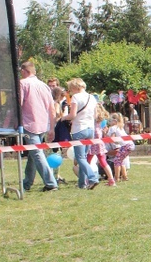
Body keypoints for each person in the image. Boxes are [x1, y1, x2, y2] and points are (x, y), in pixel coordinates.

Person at [19, 61, 58, 192]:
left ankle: (51, 183)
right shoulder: (44, 86)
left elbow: (18, 105)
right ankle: (27, 183)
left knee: (36, 154)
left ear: (24, 71)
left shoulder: (23, 83)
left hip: (29, 124)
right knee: (33, 154)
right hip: (42, 124)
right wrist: (52, 127)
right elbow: (52, 108)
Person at [61, 78, 99, 190]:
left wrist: (63, 118)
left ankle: (93, 178)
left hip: (79, 129)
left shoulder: (76, 97)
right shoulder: (92, 98)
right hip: (90, 129)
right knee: (85, 158)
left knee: (80, 158)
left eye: (70, 89)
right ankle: (82, 184)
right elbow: (95, 116)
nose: (70, 91)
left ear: (75, 88)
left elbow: (72, 115)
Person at [91, 104, 116, 186]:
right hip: (99, 139)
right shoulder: (101, 119)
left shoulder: (94, 116)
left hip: (93, 139)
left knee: (87, 160)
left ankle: (86, 180)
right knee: (103, 161)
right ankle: (111, 179)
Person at [106, 112, 135, 182]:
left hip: (126, 146)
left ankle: (116, 178)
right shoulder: (120, 127)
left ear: (115, 121)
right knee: (120, 160)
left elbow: (112, 138)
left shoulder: (113, 128)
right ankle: (124, 176)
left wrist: (105, 136)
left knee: (116, 160)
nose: (109, 122)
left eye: (110, 120)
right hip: (130, 144)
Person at [51, 86, 70, 183]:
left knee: (55, 153)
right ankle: (54, 177)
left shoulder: (54, 103)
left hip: (54, 129)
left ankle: (55, 176)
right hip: (54, 129)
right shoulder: (56, 104)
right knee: (53, 153)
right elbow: (57, 115)